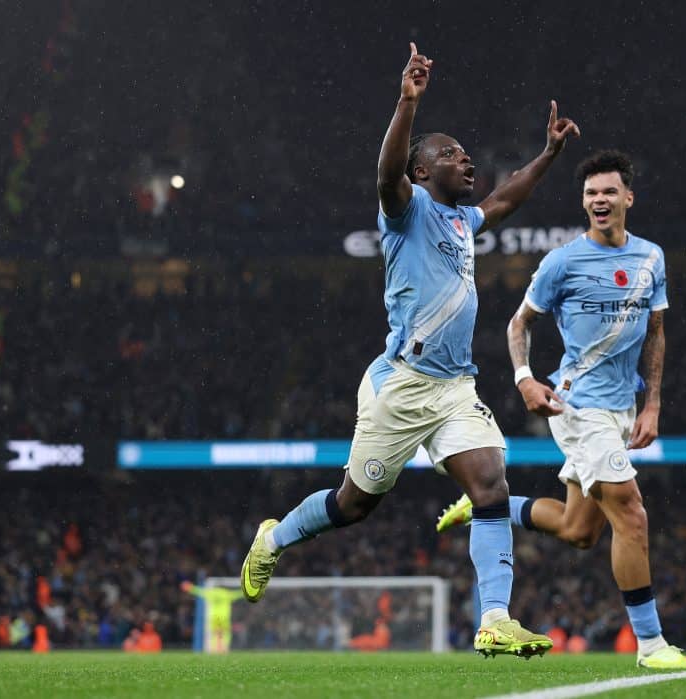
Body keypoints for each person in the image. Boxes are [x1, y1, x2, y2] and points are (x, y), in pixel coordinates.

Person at [239, 42, 580, 659]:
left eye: (465, 152)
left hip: (454, 388)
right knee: (354, 505)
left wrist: (550, 154)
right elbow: (385, 174)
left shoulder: (461, 222)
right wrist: (407, 101)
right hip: (400, 383)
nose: (465, 158)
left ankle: (495, 618)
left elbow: (505, 200)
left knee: (492, 487)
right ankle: (276, 538)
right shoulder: (406, 210)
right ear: (423, 172)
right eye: (450, 154)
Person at [437, 150, 686, 670]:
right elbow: (519, 324)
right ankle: (651, 647)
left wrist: (652, 405)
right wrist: (524, 379)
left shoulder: (652, 257)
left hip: (622, 407)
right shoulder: (562, 261)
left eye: (608, 192)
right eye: (590, 194)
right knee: (631, 511)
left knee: (580, 531)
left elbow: (656, 332)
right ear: (583, 202)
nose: (598, 200)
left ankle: (489, 508)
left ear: (628, 197)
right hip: (578, 406)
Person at [181, 581, 244, 653]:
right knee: (225, 633)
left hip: (214, 616)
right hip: (224, 617)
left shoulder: (211, 593)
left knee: (215, 633)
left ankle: (215, 648)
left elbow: (200, 591)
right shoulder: (227, 594)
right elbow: (239, 594)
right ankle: (224, 648)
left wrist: (190, 588)